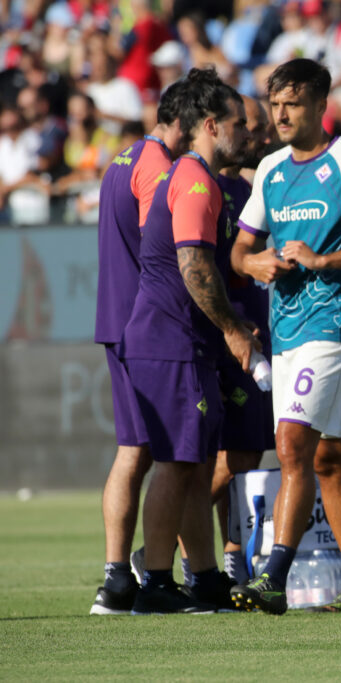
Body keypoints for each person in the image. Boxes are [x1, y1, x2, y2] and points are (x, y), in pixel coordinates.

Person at [230, 58, 341, 614]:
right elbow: (240, 250)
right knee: (329, 457)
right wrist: (253, 263)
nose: (280, 114)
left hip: (331, 325)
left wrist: (325, 259)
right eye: (275, 104)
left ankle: (272, 576)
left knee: (291, 447)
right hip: (286, 331)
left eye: (293, 104)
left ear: (319, 104)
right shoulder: (271, 170)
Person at [121, 68, 260, 614]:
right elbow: (194, 266)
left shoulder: (201, 178)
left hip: (184, 343)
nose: (246, 134)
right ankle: (155, 581)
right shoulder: (197, 182)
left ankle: (203, 577)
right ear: (210, 125)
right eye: (238, 124)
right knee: (177, 464)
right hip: (168, 339)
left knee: (198, 462)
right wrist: (234, 329)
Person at [89, 80, 191, 616]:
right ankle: (144, 577)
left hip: (116, 318)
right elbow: (164, 241)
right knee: (162, 453)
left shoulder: (119, 158)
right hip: (146, 323)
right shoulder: (156, 163)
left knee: (137, 449)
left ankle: (115, 578)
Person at [209, 95, 275, 587]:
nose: (260, 137)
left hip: (255, 331)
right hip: (228, 338)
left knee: (246, 452)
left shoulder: (249, 188)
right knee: (233, 456)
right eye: (251, 127)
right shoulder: (206, 186)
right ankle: (159, 546)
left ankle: (234, 557)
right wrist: (231, 326)